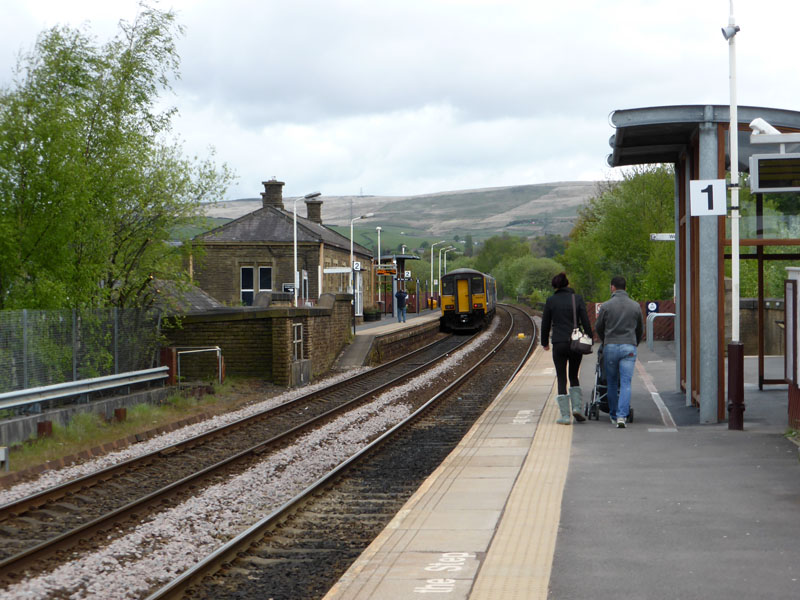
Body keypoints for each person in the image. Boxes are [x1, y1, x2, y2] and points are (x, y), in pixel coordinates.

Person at [540, 272, 593, 425]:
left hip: (559, 343)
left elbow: (545, 324)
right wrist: (589, 336)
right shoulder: (576, 299)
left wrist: (545, 342)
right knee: (574, 376)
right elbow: (585, 321)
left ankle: (565, 416)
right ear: (567, 284)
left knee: (561, 377)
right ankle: (576, 408)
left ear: (554, 286)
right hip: (575, 342)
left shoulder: (551, 301)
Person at [595, 275, 644, 428]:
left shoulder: (606, 306)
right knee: (626, 383)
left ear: (612, 287)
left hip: (610, 347)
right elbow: (640, 328)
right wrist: (634, 341)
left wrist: (606, 339)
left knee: (611, 382)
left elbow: (599, 327)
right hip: (629, 347)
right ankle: (622, 416)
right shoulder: (635, 306)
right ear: (626, 287)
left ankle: (614, 414)